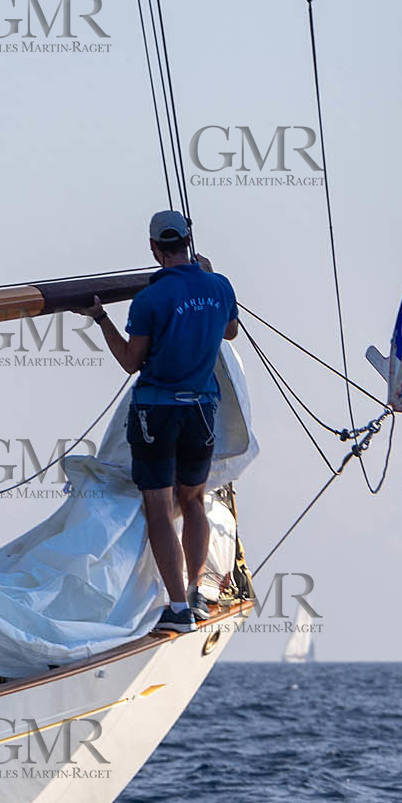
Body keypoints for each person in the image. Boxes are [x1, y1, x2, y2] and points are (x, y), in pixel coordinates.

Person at [77, 211, 239, 631]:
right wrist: (208, 274)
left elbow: (131, 362)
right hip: (202, 411)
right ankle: (198, 596)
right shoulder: (219, 286)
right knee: (195, 500)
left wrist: (100, 318)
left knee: (159, 508)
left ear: (153, 248)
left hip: (157, 412)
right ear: (188, 241)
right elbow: (231, 331)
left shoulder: (149, 299)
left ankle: (179, 608)